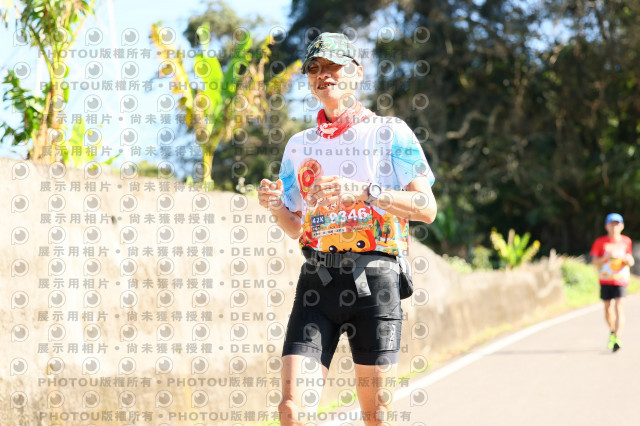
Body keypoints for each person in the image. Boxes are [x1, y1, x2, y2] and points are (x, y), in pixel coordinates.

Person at [258, 32, 437, 425]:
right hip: (317, 282)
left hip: (376, 281)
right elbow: (296, 227)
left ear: (357, 74)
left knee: (377, 415)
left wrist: (367, 192)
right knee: (291, 410)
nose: (324, 74)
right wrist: (275, 206)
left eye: (334, 66)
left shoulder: (391, 132)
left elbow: (427, 208)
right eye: (315, 68)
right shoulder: (298, 145)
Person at [590, 213, 634, 352]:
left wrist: (628, 260)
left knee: (619, 307)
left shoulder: (626, 241)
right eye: (611, 224)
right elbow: (594, 261)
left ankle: (617, 338)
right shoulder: (600, 242)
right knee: (608, 309)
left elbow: (630, 259)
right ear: (606, 226)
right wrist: (606, 257)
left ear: (622, 226)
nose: (614, 226)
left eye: (617, 224)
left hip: (621, 280)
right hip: (605, 279)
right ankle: (612, 331)